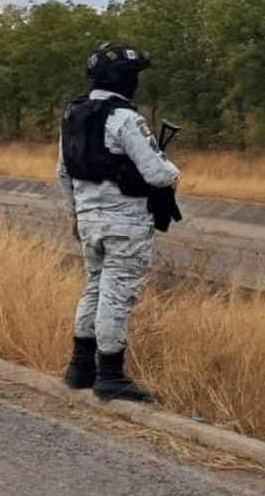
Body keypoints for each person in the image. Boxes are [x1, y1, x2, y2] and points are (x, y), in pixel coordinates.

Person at [56, 42, 181, 403]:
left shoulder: (73, 115)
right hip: (125, 223)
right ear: (122, 79)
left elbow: (63, 171)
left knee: (94, 287)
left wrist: (75, 213)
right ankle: (110, 374)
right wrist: (173, 169)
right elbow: (158, 173)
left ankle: (80, 368)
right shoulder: (125, 118)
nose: (136, 83)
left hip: (89, 220)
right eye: (133, 76)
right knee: (116, 293)